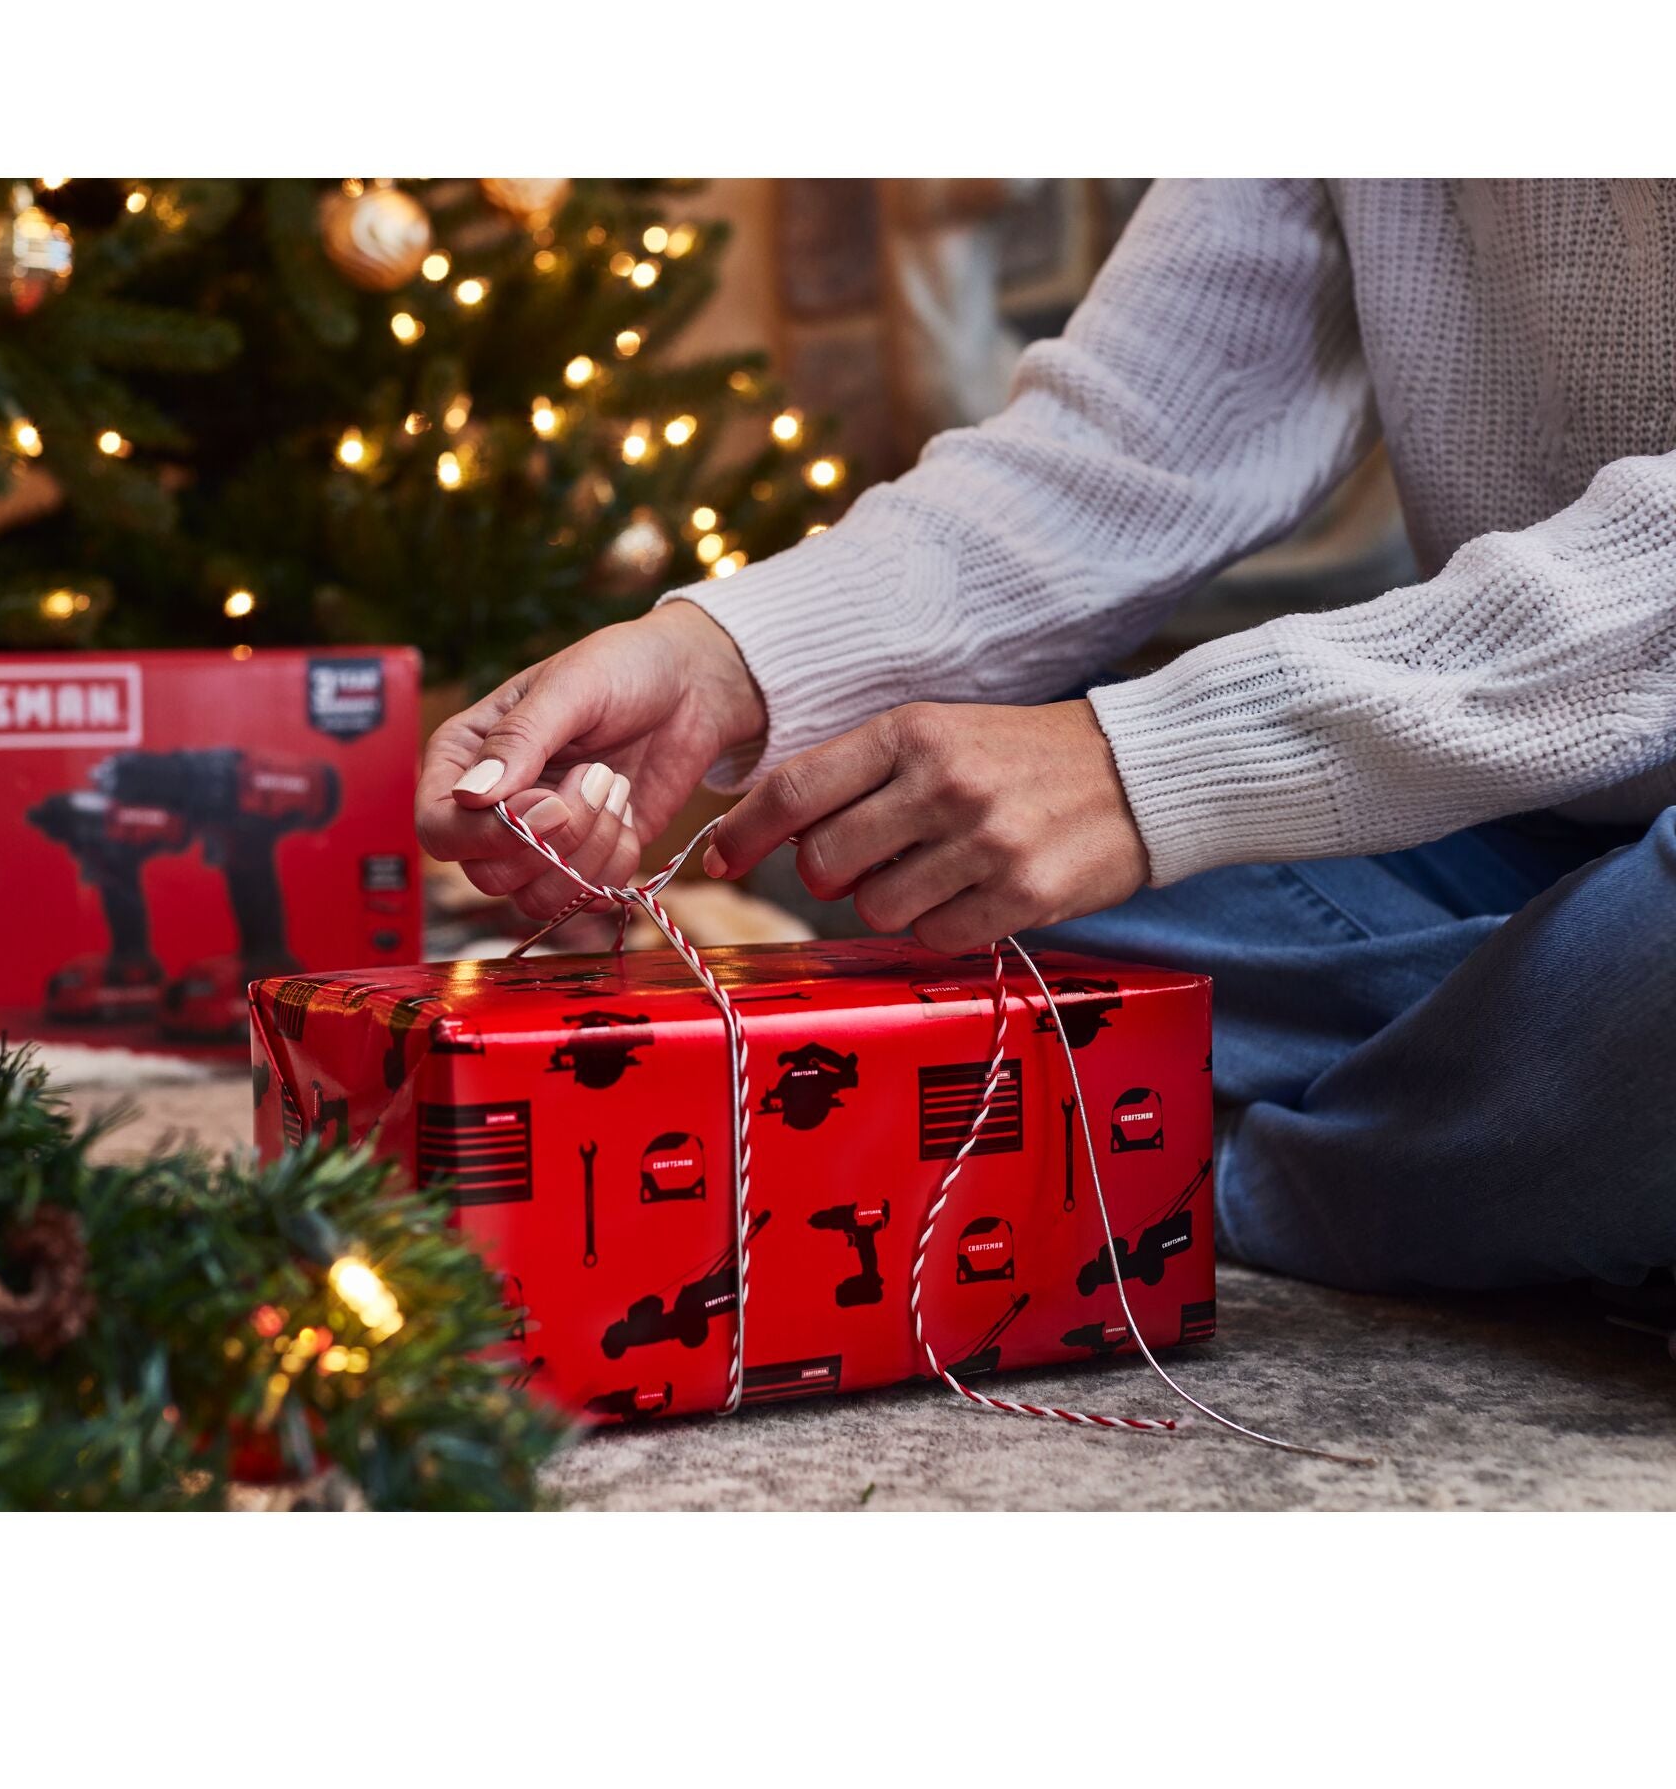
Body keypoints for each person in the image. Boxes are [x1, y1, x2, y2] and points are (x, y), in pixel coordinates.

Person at [418, 179, 1676, 1301]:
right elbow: (1128, 439)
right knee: (897, 867)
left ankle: (1281, 1184)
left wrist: (1144, 771)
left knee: (971, 937)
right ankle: (1521, 1107)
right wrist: (714, 660)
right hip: (1507, 817)